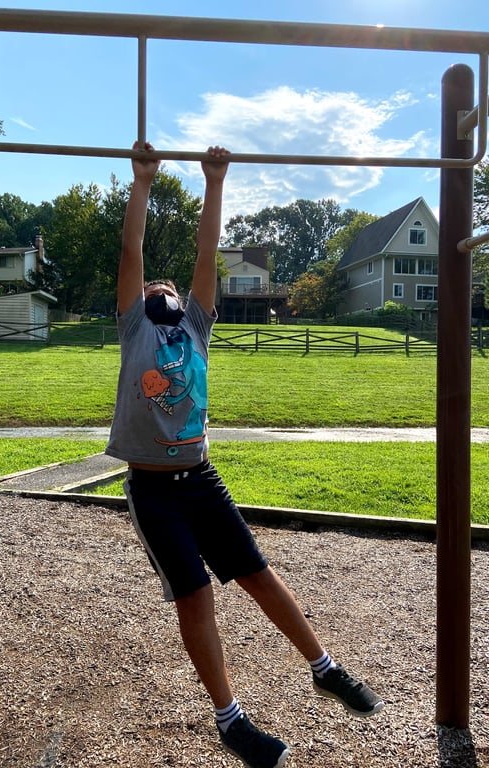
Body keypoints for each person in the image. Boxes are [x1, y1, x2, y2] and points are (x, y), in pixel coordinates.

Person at [105, 141, 385, 768]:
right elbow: (131, 254)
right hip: (154, 491)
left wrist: (215, 181)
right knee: (196, 594)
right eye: (153, 286)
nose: (160, 287)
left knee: (257, 572)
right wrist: (142, 183)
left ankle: (325, 667)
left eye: (168, 287)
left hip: (201, 479)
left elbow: (207, 254)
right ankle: (231, 722)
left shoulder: (196, 327)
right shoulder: (134, 328)